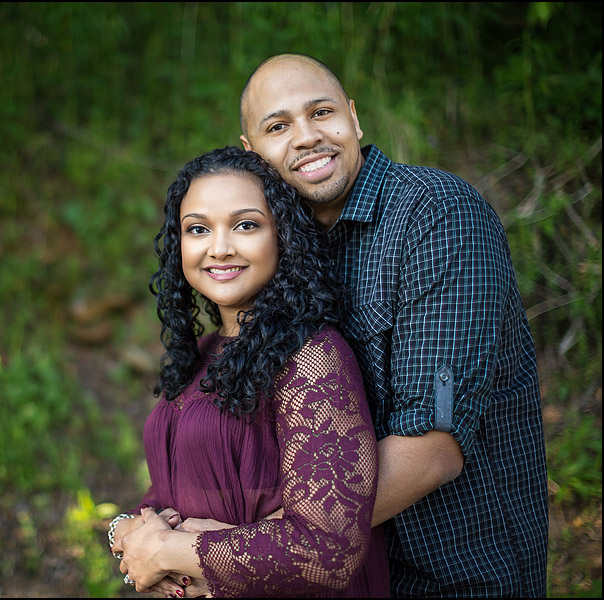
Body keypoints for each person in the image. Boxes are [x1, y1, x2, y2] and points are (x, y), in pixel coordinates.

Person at [233, 53, 548, 597]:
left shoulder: (436, 214)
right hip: (346, 581)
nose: (307, 136)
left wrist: (239, 548)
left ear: (354, 119)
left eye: (322, 113)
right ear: (252, 154)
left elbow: (433, 447)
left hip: (455, 579)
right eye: (278, 126)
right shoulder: (273, 252)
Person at [109, 145, 390, 598]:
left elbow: (327, 549)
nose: (219, 248)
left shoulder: (313, 357)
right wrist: (131, 532)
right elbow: (172, 489)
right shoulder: (199, 355)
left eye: (245, 225)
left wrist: (176, 551)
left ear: (282, 235)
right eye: (198, 229)